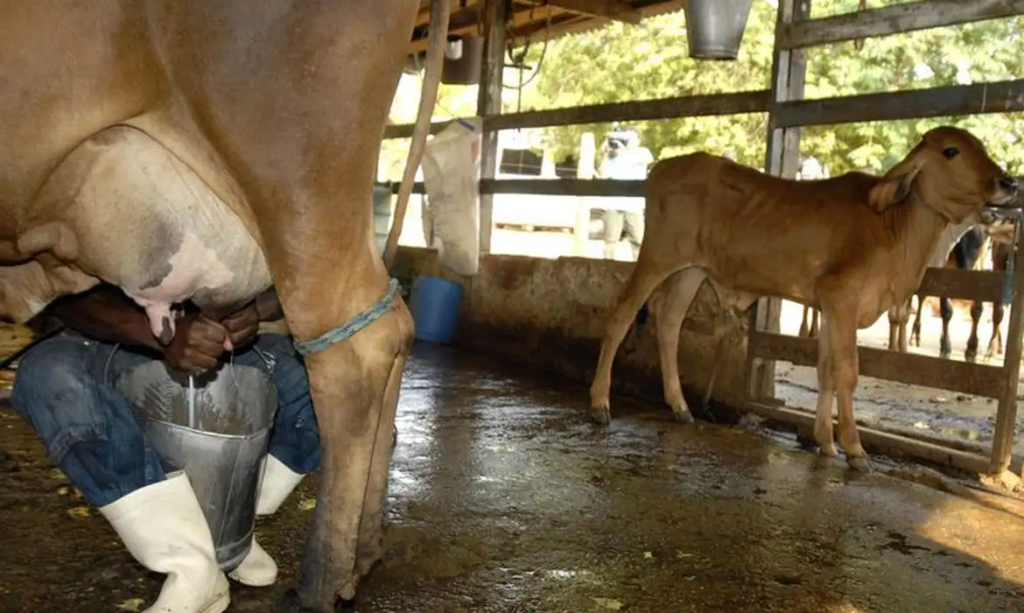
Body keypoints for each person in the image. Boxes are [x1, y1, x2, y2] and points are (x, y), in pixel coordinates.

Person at [10, 283, 321, 613]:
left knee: (331, 374)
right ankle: (192, 567)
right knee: (47, 375)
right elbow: (58, 297)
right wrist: (158, 333)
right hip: (106, 340)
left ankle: (231, 536)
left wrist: (253, 311)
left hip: (208, 340)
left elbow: (300, 273)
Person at [599, 129, 655, 260]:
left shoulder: (642, 152)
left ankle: (637, 267)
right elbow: (604, 175)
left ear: (638, 140)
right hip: (613, 205)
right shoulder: (613, 155)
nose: (628, 141)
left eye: (631, 138)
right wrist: (606, 154)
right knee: (610, 241)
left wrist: (624, 152)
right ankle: (608, 266)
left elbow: (649, 158)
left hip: (633, 205)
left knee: (639, 240)